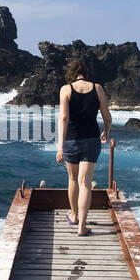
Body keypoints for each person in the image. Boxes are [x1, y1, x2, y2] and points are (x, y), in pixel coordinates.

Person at [55, 57, 114, 236]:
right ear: (85, 73)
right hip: (91, 140)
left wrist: (60, 146)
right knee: (85, 183)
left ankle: (74, 216)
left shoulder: (66, 89)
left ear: (71, 74)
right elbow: (107, 116)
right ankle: (82, 227)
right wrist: (106, 131)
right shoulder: (97, 88)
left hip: (71, 140)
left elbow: (64, 118)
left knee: (73, 180)